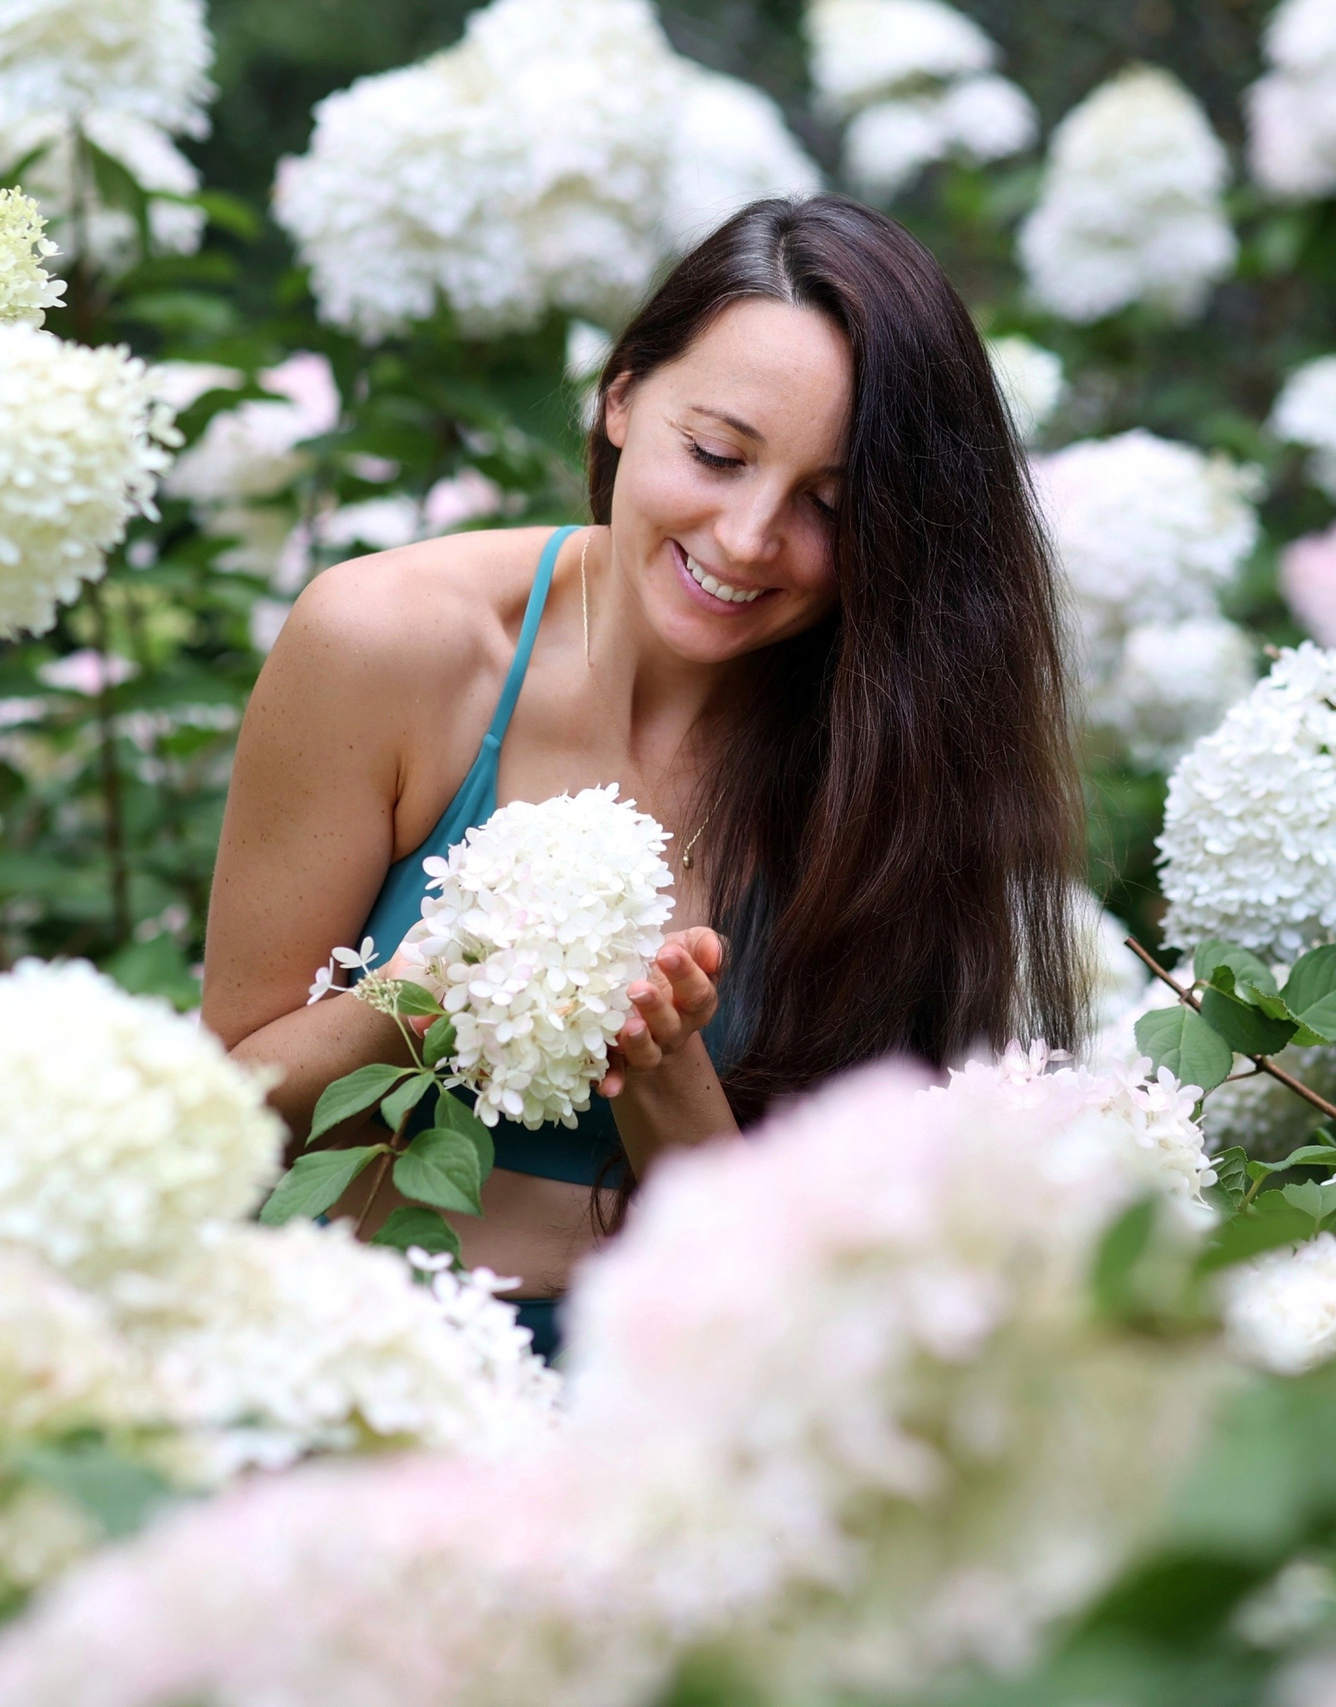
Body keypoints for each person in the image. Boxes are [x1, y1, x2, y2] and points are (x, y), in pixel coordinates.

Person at [201, 195, 1084, 1359]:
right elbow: (216, 1109)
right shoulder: (391, 642)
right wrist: (429, 985)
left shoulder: (892, 754)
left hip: (678, 1390)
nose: (747, 538)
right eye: (716, 456)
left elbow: (827, 1292)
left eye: (831, 506)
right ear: (621, 398)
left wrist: (664, 1072)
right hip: (352, 1358)